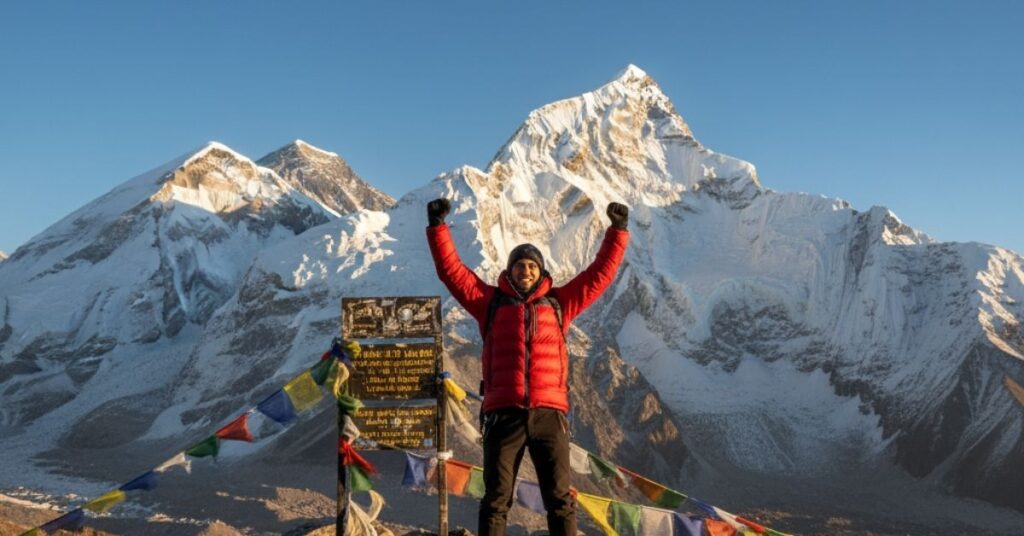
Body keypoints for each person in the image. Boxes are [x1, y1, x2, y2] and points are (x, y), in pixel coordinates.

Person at [425, 197, 629, 536]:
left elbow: (599, 276)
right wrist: (437, 227)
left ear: (542, 272)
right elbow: (453, 273)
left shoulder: (560, 303)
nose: (526, 270)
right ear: (509, 271)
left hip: (550, 414)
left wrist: (618, 232)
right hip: (503, 414)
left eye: (532, 266)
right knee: (495, 498)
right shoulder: (488, 303)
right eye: (520, 265)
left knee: (560, 499)